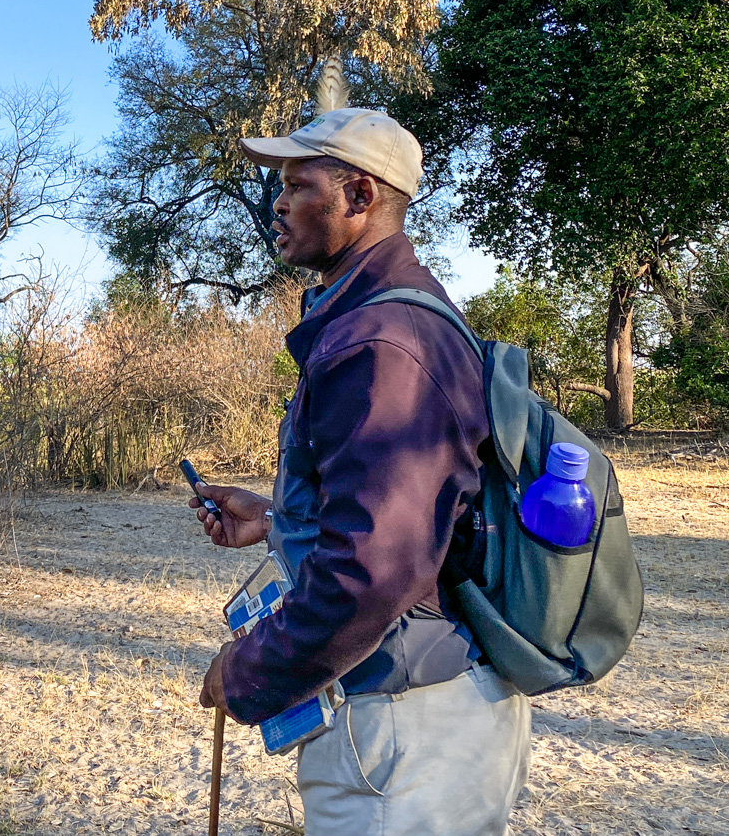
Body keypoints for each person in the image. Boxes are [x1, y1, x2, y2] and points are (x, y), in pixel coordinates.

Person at [189, 103, 531, 835]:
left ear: (360, 197)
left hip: (407, 742)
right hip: (425, 726)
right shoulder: (394, 315)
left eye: (297, 183)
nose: (277, 202)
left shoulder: (382, 340)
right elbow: (404, 517)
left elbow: (370, 573)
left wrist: (246, 670)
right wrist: (280, 517)